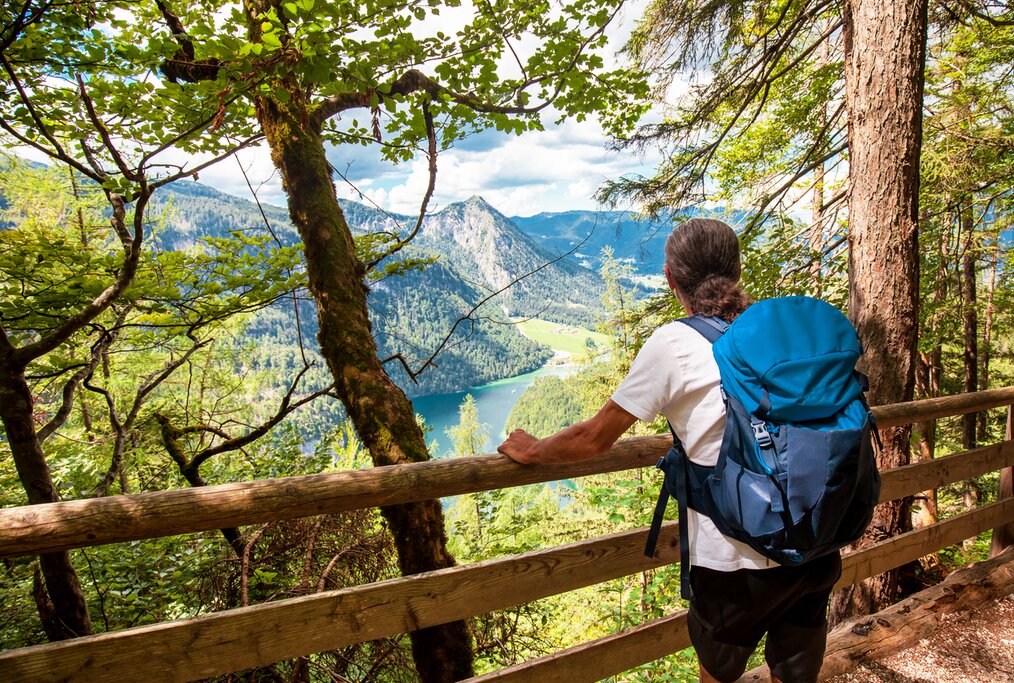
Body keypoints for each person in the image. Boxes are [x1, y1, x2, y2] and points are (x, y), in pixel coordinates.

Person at [497, 218, 841, 683]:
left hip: (732, 558)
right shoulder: (780, 331)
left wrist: (535, 450)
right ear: (738, 270)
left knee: (717, 675)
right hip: (815, 539)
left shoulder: (674, 343)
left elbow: (594, 438)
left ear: (670, 278)